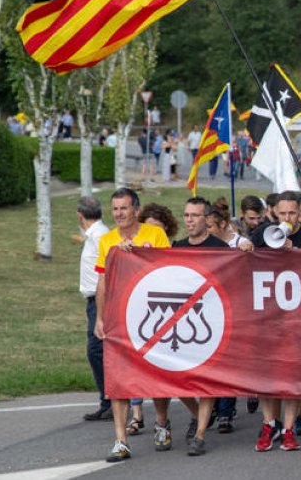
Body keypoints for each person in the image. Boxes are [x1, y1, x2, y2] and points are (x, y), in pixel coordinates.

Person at [93, 189, 172, 462]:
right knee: (119, 379)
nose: (119, 214)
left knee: (156, 375)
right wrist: (100, 318)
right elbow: (102, 282)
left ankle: (161, 423)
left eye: (124, 208)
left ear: (135, 210)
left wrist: (137, 254)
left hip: (152, 316)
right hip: (120, 317)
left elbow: (169, 268)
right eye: (115, 209)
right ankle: (121, 440)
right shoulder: (107, 241)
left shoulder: (155, 235)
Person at [248, 192, 301, 453]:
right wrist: (246, 248)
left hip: (298, 314)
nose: (287, 219)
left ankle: (289, 428)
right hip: (268, 315)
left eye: (292, 213)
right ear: (274, 213)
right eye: (283, 214)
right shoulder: (261, 233)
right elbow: (246, 259)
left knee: (291, 373)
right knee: (268, 374)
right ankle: (269, 423)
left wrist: (297, 253)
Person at [172, 197, 232, 456]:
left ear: (206, 219)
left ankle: (199, 435)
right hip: (183, 321)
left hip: (210, 322)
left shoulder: (220, 248)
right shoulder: (177, 246)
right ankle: (198, 415)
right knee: (175, 378)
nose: (189, 220)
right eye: (186, 215)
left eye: (194, 216)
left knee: (206, 379)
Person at [78, 196, 111, 423]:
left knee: (96, 351)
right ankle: (107, 401)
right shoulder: (94, 235)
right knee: (98, 351)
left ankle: (110, 400)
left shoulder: (99, 236)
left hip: (101, 301)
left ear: (80, 216)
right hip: (93, 300)